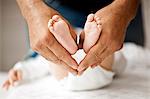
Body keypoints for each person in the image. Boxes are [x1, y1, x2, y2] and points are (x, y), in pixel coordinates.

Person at [15, 0, 139, 75]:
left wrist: (20, 71)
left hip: (66, 74)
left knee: (47, 58)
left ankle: (69, 44)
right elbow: (136, 54)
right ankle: (89, 43)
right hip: (102, 72)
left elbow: (33, 66)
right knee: (114, 55)